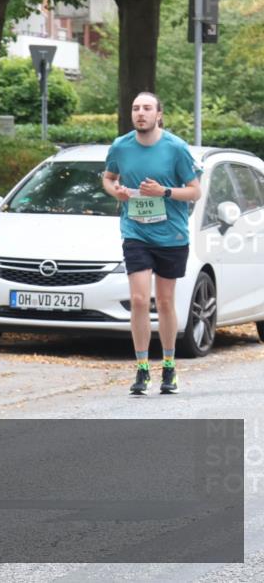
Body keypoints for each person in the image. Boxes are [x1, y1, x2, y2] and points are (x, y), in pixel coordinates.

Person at [102, 92, 201, 396]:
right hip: (136, 232)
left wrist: (164, 192)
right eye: (135, 108)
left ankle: (169, 365)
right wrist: (114, 191)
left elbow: (195, 191)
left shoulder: (175, 148)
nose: (140, 113)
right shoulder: (121, 146)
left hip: (171, 234)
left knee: (166, 301)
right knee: (140, 300)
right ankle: (142, 367)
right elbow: (108, 178)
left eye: (146, 108)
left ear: (159, 114)